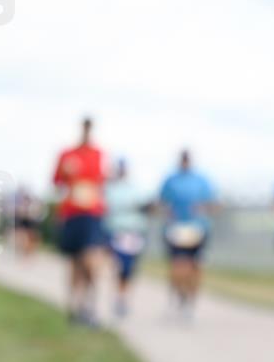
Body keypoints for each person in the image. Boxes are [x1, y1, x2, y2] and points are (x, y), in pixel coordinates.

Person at [52, 117, 106, 326]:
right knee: (74, 263)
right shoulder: (67, 155)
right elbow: (56, 182)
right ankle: (74, 307)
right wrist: (66, 173)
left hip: (91, 214)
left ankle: (89, 305)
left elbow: (102, 181)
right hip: (72, 214)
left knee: (91, 262)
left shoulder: (99, 154)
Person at [159, 149, 218, 320]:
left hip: (197, 228)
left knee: (195, 267)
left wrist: (203, 208)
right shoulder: (171, 180)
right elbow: (162, 202)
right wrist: (167, 211)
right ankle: (179, 295)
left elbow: (212, 203)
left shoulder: (201, 181)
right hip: (176, 229)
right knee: (178, 266)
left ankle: (190, 301)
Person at [104, 158, 151, 317]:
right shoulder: (109, 188)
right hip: (115, 232)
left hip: (133, 233)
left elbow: (146, 206)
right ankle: (119, 297)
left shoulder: (135, 189)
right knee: (118, 266)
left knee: (128, 269)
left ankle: (122, 298)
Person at [13, 186, 43, 257]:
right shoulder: (22, 206)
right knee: (24, 238)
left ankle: (28, 252)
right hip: (24, 223)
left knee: (30, 238)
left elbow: (35, 214)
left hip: (30, 223)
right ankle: (25, 252)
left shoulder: (32, 206)